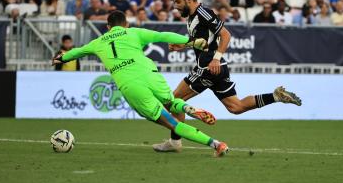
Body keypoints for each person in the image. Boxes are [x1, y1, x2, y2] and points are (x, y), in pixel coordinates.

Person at [53, 10, 229, 156]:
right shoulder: (134, 32)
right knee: (170, 102)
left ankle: (215, 144)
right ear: (126, 24)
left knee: (171, 122)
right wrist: (191, 42)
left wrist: (61, 58)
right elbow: (163, 35)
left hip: (131, 84)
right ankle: (184, 107)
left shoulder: (98, 42)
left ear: (108, 27)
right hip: (150, 74)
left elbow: (77, 52)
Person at [152, 0, 301, 152]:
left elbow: (226, 35)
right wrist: (183, 45)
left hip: (208, 67)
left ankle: (175, 141)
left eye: (178, 2)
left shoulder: (203, 13)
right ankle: (275, 96)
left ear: (188, 0)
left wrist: (216, 58)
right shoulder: (193, 16)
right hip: (218, 69)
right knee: (236, 107)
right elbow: (204, 42)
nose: (175, 6)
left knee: (173, 102)